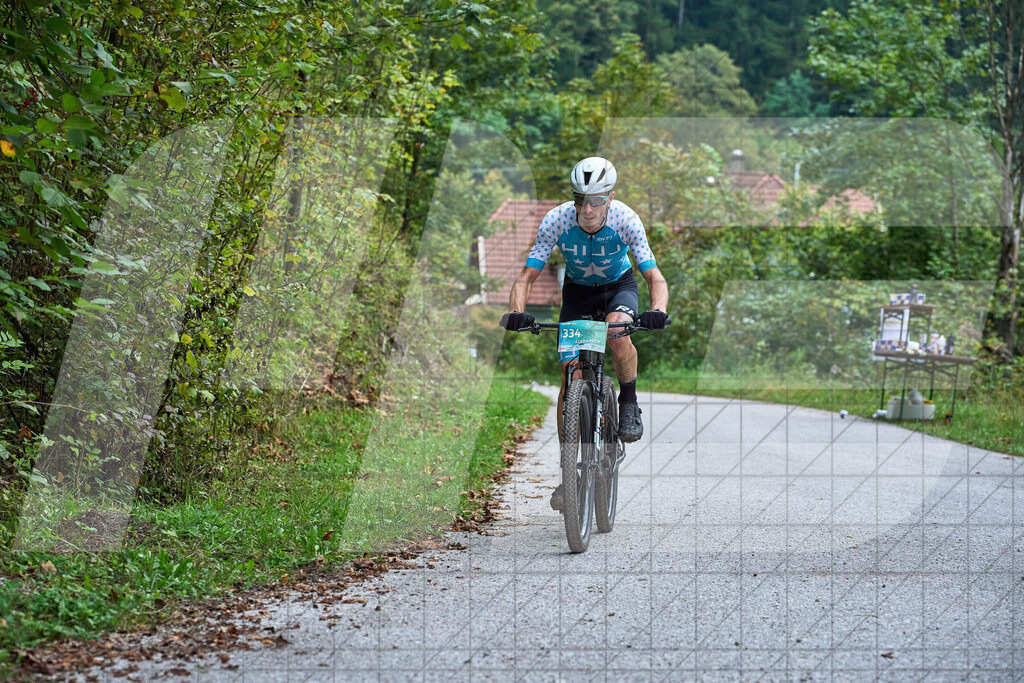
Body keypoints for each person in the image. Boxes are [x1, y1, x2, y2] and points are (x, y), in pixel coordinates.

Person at [500, 157, 669, 511]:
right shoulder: (557, 220)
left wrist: (657, 310)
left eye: (596, 200)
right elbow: (527, 276)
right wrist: (516, 312)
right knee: (570, 375)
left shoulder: (626, 220)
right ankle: (569, 475)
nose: (587, 209)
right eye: (580, 199)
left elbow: (654, 276)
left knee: (617, 332)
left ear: (610, 198)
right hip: (577, 293)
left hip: (618, 287)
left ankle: (628, 402)